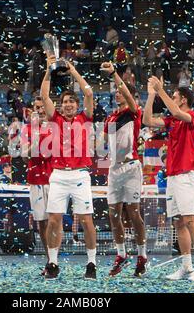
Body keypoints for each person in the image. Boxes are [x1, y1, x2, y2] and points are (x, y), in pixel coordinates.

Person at [143, 76, 194, 281]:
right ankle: (187, 267)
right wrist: (151, 95)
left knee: (190, 220)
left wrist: (160, 89)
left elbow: (175, 110)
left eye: (174, 96)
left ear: (183, 99)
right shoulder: (172, 121)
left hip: (188, 174)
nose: (172, 99)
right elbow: (147, 120)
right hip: (173, 176)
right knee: (178, 223)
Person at [40, 54, 97, 280]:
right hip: (58, 176)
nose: (69, 104)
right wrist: (48, 70)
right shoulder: (56, 120)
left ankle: (91, 264)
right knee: (54, 220)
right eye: (65, 102)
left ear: (76, 104)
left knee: (86, 220)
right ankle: (53, 263)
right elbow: (44, 95)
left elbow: (89, 92)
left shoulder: (85, 118)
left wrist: (73, 70)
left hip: (81, 175)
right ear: (61, 106)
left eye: (72, 101)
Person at [100, 62, 147, 277]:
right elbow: (103, 146)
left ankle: (142, 255)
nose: (118, 95)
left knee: (134, 213)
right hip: (113, 170)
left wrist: (114, 75)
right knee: (113, 215)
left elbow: (127, 94)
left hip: (131, 168)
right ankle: (121, 255)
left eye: (122, 92)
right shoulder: (110, 118)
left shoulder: (134, 113)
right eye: (116, 93)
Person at [21, 97, 53, 274]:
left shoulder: (55, 127)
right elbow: (25, 155)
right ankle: (50, 260)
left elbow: (54, 153)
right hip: (35, 180)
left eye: (42, 107)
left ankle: (54, 259)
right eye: (37, 107)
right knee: (41, 223)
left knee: (54, 221)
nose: (40, 110)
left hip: (54, 180)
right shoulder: (27, 129)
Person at [155, 154, 169, 248]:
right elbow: (163, 184)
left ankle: (170, 238)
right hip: (162, 197)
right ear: (163, 161)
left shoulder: (173, 170)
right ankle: (160, 238)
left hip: (172, 196)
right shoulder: (161, 171)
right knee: (161, 217)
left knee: (172, 218)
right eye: (166, 160)